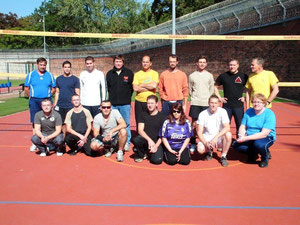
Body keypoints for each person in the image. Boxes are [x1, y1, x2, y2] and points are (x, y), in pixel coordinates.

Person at [233, 93, 276, 168]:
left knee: (258, 144)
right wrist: (241, 135)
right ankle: (253, 153)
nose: (256, 104)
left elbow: (264, 134)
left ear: (264, 103)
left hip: (266, 137)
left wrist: (245, 138)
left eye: (259, 102)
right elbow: (242, 126)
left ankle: (264, 159)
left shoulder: (269, 114)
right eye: (254, 102)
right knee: (236, 145)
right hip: (250, 136)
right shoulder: (248, 111)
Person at [24, 57, 56, 152]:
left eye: (44, 65)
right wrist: (31, 96)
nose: (42, 67)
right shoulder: (31, 75)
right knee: (35, 122)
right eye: (41, 65)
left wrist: (49, 97)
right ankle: (35, 143)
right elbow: (26, 88)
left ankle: (50, 142)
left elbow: (53, 88)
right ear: (37, 65)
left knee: (49, 120)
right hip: (34, 101)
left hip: (46, 100)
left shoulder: (49, 75)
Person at [106, 55, 134, 152]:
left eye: (120, 61)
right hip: (113, 104)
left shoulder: (129, 73)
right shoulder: (109, 74)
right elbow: (109, 88)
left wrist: (126, 98)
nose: (118, 63)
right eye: (116, 61)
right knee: (114, 124)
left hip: (125, 104)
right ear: (114, 62)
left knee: (126, 124)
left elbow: (131, 88)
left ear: (123, 62)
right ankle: (115, 142)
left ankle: (127, 142)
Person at [214, 59, 248, 138]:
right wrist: (220, 98)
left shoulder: (243, 76)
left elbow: (250, 88)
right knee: (225, 125)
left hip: (239, 106)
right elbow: (215, 86)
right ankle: (223, 142)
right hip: (227, 106)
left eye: (234, 65)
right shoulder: (223, 76)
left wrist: (245, 97)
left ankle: (240, 142)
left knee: (240, 125)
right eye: (230, 65)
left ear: (238, 65)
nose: (232, 67)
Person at [196, 95, 232, 167]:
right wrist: (206, 143)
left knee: (228, 134)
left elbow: (227, 127)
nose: (213, 105)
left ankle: (223, 156)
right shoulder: (202, 114)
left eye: (215, 103)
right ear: (208, 103)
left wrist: (215, 138)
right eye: (212, 103)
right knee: (200, 150)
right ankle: (210, 151)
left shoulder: (223, 111)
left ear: (219, 104)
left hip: (219, 137)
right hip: (208, 137)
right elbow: (199, 132)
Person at [188, 56, 214, 152]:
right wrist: (195, 97)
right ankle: (193, 142)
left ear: (206, 64)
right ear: (197, 63)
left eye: (204, 62)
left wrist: (207, 98)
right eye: (200, 62)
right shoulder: (192, 76)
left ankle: (207, 143)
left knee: (207, 124)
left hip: (206, 103)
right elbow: (190, 89)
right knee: (195, 124)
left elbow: (211, 89)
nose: (202, 64)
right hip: (195, 103)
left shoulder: (209, 76)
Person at [131, 95, 165, 164]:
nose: (150, 105)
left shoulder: (162, 117)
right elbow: (140, 130)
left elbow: (163, 135)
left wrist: (155, 146)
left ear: (156, 104)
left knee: (157, 161)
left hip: (157, 142)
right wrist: (149, 140)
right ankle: (141, 153)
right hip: (146, 140)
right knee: (136, 139)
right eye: (148, 103)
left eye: (152, 103)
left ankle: (152, 151)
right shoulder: (143, 115)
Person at [54, 61, 80, 135]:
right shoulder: (58, 79)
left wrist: (78, 104)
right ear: (63, 68)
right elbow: (57, 92)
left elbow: (77, 92)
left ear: (70, 68)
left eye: (68, 67)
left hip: (70, 105)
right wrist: (55, 104)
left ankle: (71, 138)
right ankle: (64, 139)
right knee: (62, 123)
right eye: (65, 67)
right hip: (61, 105)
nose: (67, 69)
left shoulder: (75, 79)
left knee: (70, 123)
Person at [133, 55, 159, 129]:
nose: (145, 64)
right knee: (139, 121)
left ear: (150, 63)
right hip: (139, 101)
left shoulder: (154, 73)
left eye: (147, 62)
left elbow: (154, 86)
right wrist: (148, 87)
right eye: (143, 62)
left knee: (150, 120)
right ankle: (139, 138)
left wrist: (142, 85)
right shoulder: (137, 74)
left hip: (151, 101)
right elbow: (135, 88)